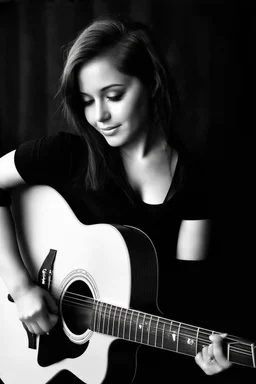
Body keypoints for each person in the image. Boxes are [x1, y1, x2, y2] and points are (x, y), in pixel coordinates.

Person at [0, 15, 246, 383]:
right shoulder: (65, 155)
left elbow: (191, 302)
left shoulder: (196, 184)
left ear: (150, 83)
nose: (99, 116)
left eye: (114, 96)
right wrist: (20, 287)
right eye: (86, 101)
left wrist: (208, 353)